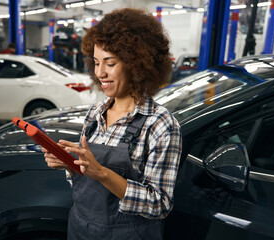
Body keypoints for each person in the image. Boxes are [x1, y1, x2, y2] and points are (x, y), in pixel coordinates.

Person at [42, 8, 182, 240]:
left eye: (110, 63)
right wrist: (69, 165)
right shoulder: (95, 114)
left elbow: (160, 205)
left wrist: (104, 174)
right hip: (80, 228)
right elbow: (86, 180)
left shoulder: (160, 125)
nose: (100, 73)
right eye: (96, 63)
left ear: (136, 64)